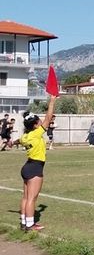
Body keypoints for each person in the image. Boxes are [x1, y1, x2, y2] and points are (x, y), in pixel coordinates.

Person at [14, 95, 57, 231]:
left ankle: (24, 222)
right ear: (35, 125)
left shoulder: (25, 136)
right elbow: (48, 118)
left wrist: (11, 143)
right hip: (35, 168)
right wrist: (52, 101)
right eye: (39, 121)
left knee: (26, 197)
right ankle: (30, 225)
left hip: (27, 167)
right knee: (32, 198)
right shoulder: (36, 134)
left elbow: (18, 141)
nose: (41, 122)